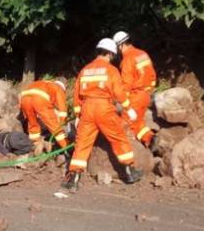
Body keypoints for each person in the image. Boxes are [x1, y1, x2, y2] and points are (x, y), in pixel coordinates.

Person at [62, 38, 143, 191]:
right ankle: (130, 171)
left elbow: (77, 95)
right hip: (104, 108)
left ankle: (73, 177)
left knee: (82, 143)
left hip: (87, 109)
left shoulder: (85, 70)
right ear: (111, 54)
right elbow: (118, 92)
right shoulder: (111, 70)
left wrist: (78, 116)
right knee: (118, 138)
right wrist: (128, 108)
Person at [113, 31, 157, 148]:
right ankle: (151, 140)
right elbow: (152, 74)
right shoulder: (143, 54)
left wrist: (124, 103)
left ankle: (134, 153)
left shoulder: (127, 60)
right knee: (138, 122)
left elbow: (126, 85)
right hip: (146, 95)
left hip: (135, 96)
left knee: (126, 124)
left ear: (120, 45)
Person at [19, 79, 69, 151]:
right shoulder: (58, 88)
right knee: (55, 127)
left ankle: (34, 147)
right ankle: (67, 148)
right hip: (39, 100)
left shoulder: (43, 83)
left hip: (24, 99)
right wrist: (61, 123)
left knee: (33, 124)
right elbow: (62, 109)